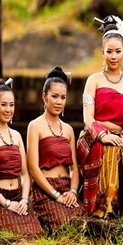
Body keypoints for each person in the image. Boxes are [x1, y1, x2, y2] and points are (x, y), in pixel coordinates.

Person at [76, 15, 123, 218]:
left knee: (118, 151)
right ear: (102, 53)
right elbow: (88, 119)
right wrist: (103, 135)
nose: (114, 56)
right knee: (109, 149)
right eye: (109, 52)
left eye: (118, 52)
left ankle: (114, 209)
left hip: (119, 138)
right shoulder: (93, 80)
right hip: (93, 135)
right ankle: (103, 209)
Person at [0, 78, 43, 236]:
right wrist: (6, 203)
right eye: (3, 104)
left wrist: (24, 200)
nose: (8, 109)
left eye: (11, 105)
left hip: (19, 197)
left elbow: (26, 174)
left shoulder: (17, 136)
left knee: (36, 233)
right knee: (17, 236)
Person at [27, 66, 85, 231]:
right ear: (44, 97)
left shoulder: (67, 129)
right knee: (65, 225)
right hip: (46, 191)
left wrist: (73, 192)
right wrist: (55, 195)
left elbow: (74, 168)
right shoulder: (35, 126)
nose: (59, 102)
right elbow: (33, 167)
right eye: (54, 96)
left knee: (83, 222)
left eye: (63, 97)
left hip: (66, 189)